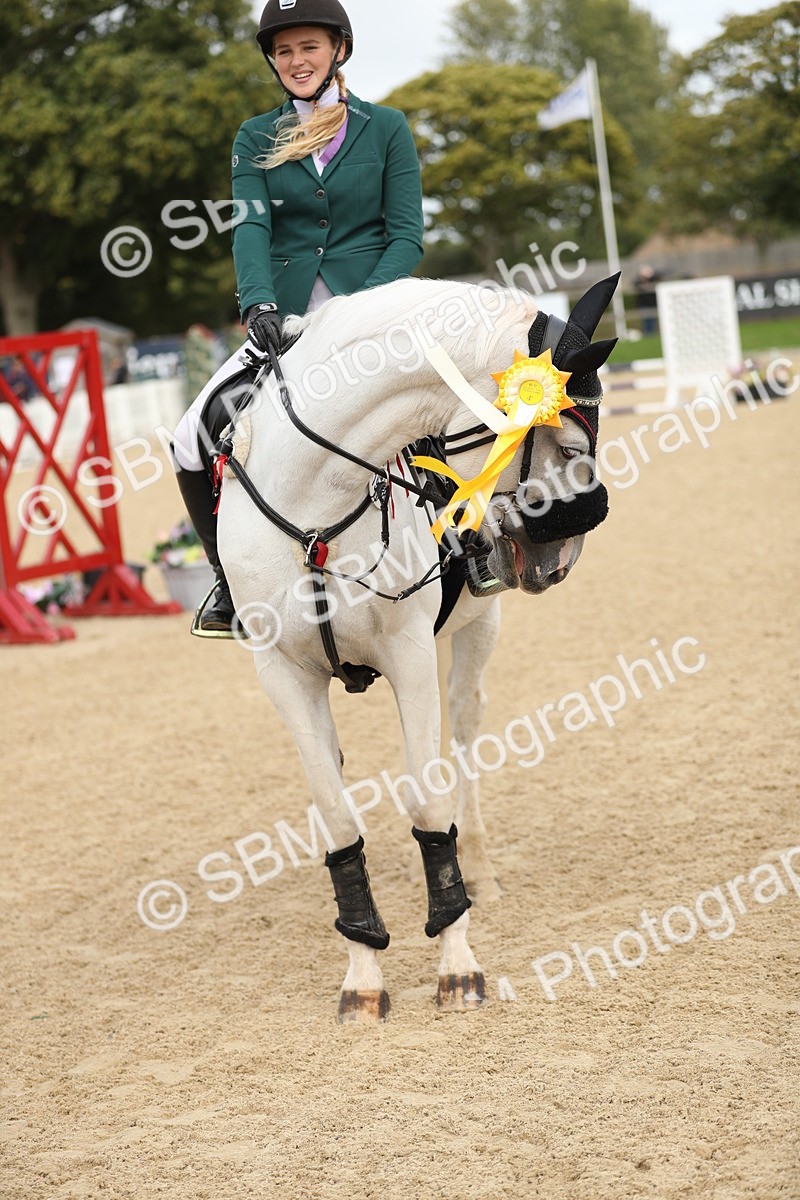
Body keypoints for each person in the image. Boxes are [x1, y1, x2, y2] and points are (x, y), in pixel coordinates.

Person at [171, 0, 425, 637]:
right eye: (283, 51)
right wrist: (258, 303)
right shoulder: (256, 137)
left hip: (371, 311)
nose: (296, 61)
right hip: (283, 322)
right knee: (190, 438)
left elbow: (407, 236)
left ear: (338, 48)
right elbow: (251, 228)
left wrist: (356, 309)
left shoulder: (386, 127)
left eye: (308, 46)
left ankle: (474, 550)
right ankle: (229, 585)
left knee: (447, 422)